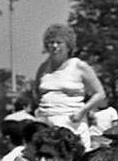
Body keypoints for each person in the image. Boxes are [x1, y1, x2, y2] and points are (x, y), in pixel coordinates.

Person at [32, 23, 107, 152]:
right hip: (46, 121)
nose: (55, 46)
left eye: (59, 42)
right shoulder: (43, 68)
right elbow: (36, 92)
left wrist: (82, 111)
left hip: (71, 121)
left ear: (68, 46)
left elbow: (100, 94)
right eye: (51, 42)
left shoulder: (79, 66)